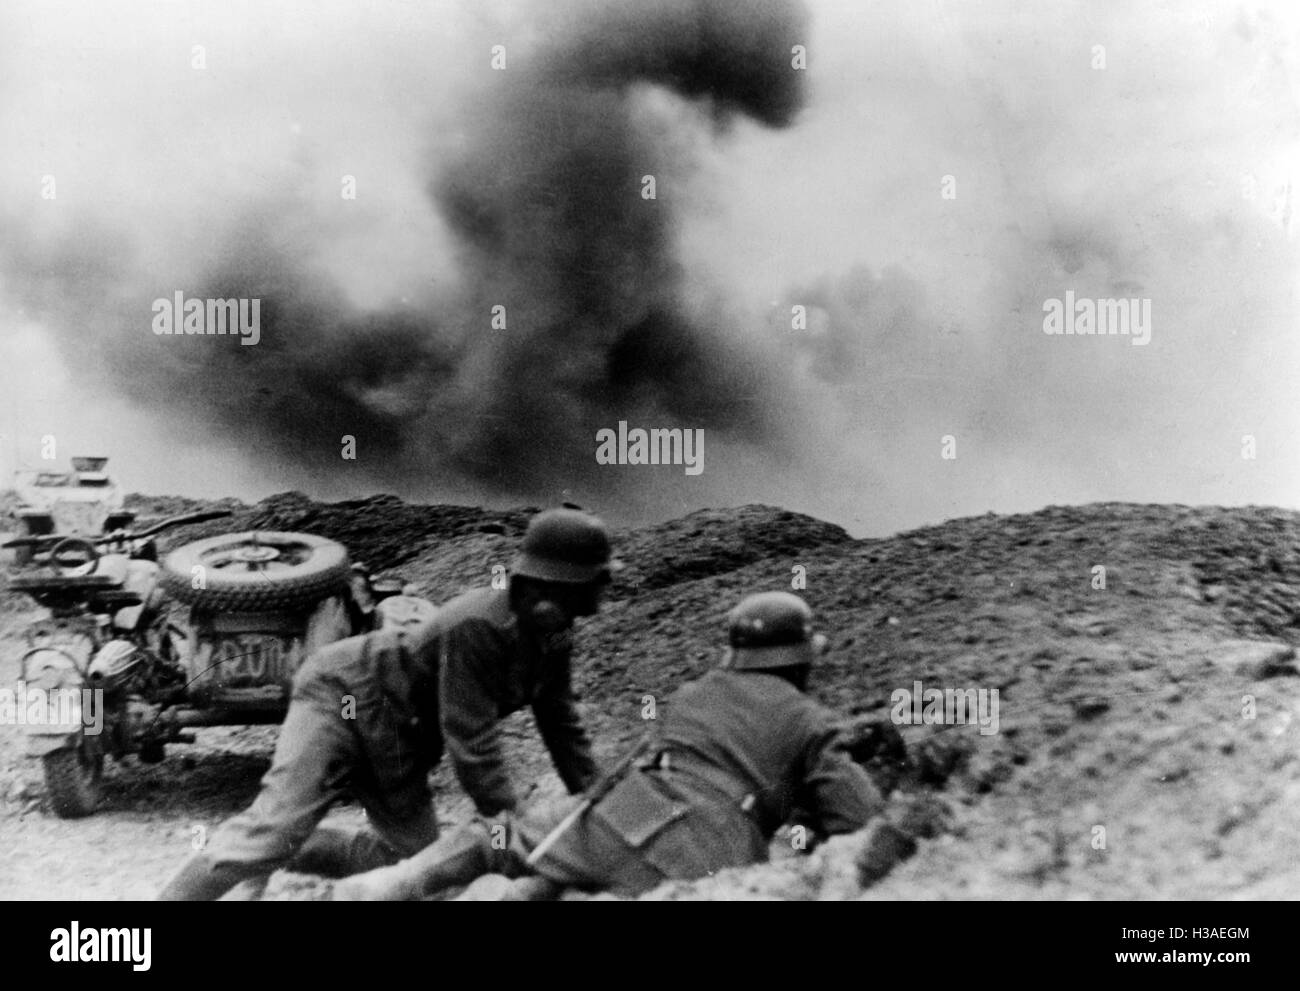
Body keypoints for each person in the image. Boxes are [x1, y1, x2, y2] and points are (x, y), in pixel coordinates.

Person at [157, 507, 615, 900]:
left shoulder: (553, 634)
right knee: (270, 832)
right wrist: (511, 830)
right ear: (547, 586)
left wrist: (598, 798)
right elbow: (471, 740)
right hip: (342, 696)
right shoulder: (478, 626)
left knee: (416, 864)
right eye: (589, 585)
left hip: (400, 737)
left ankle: (294, 852)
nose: (597, 596)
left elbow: (561, 723)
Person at [334, 590, 885, 901]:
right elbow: (860, 826)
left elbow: (642, 759)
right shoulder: (814, 725)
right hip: (710, 844)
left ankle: (379, 890)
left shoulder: (695, 692)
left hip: (630, 803)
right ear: (798, 657)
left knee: (499, 844)